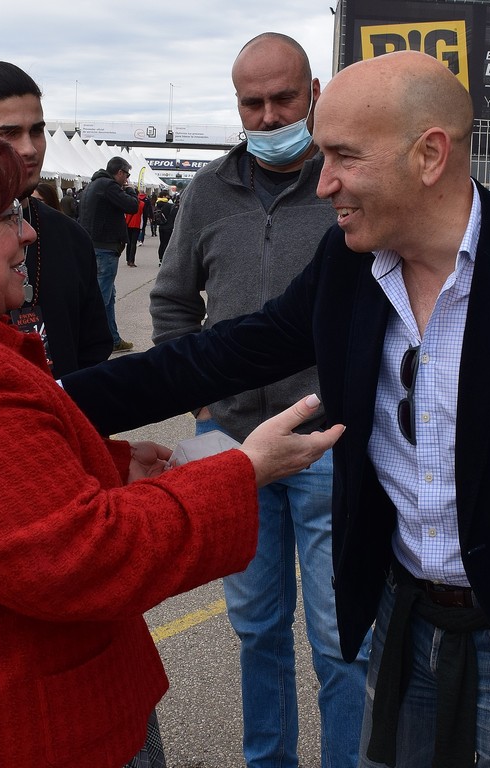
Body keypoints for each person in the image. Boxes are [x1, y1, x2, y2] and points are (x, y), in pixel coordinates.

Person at [60, 50, 490, 768]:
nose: (322, 184)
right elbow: (221, 353)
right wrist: (51, 401)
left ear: (428, 155)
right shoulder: (347, 266)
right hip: (402, 622)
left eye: (342, 157)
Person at [0, 100, 344, 768]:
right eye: (6, 216)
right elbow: (83, 559)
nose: (28, 234)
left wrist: (98, 465)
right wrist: (239, 472)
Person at [149, 32, 367, 768]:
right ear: (236, 106)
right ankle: (266, 760)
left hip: (329, 445)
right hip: (238, 449)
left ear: (314, 92)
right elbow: (174, 302)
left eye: (283, 98)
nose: (271, 117)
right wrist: (204, 413)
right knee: (256, 629)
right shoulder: (208, 191)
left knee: (343, 637)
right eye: (253, 103)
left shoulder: (349, 185)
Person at [0, 41, 112, 377]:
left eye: (37, 131)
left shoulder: (70, 238)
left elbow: (94, 352)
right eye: (9, 133)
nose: (29, 149)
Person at [78, 156, 139, 351]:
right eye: (127, 175)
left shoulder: (93, 184)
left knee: (108, 296)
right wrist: (130, 190)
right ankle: (89, 342)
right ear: (119, 172)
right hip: (105, 249)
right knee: (101, 298)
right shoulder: (109, 185)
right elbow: (132, 206)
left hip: (93, 247)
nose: (127, 179)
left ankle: (113, 339)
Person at [154, 192, 176, 266]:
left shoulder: (158, 204)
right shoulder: (169, 205)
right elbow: (174, 215)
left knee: (162, 243)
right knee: (167, 243)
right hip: (168, 226)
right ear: (164, 196)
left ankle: (160, 259)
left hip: (161, 226)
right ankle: (165, 259)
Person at [124, 187, 143, 267]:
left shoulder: (126, 202)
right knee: (133, 243)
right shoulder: (141, 204)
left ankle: (128, 259)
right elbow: (143, 215)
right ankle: (132, 260)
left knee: (128, 243)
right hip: (136, 224)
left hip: (127, 223)